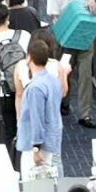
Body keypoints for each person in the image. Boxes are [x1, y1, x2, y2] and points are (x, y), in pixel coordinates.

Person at [0, 2, 30, 162]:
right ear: (8, 17)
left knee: (10, 132)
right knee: (31, 128)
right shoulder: (24, 35)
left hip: (7, 93)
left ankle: (15, 165)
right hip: (28, 89)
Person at [47, 0, 96, 128]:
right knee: (64, 73)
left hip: (85, 34)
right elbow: (55, 16)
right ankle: (64, 102)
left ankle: (84, 114)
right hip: (66, 38)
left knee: (85, 75)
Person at [15, 38, 63, 180]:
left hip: (35, 146)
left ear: (29, 57)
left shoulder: (35, 88)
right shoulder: (53, 80)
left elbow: (37, 119)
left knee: (33, 186)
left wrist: (36, 148)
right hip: (51, 138)